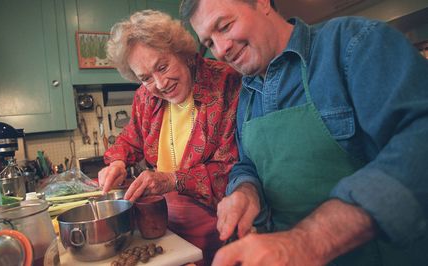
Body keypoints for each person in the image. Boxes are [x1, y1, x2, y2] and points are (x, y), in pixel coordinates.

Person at [180, 0, 428, 265]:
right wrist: (245, 191)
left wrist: (308, 240)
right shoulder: (247, 93)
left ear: (262, 3)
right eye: (209, 43)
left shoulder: (354, 43)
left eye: (225, 26)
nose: (221, 49)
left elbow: (419, 140)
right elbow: (247, 164)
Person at [98, 10, 242, 265]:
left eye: (162, 67)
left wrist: (173, 180)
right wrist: (118, 162)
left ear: (182, 52)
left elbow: (231, 170)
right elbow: (131, 138)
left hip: (219, 227)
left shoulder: (225, 83)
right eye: (145, 78)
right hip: (165, 227)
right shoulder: (146, 97)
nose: (160, 84)